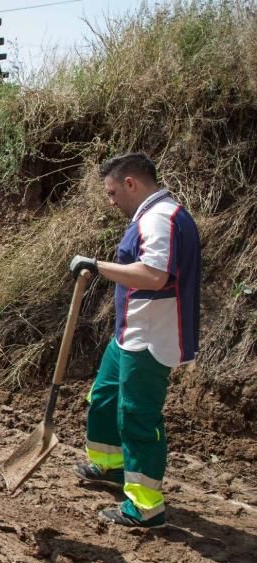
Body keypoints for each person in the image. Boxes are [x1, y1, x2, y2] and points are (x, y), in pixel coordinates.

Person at [69, 152, 201, 528]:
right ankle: (110, 465)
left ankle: (145, 507)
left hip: (151, 337)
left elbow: (155, 275)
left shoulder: (160, 219)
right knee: (104, 395)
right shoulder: (152, 216)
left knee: (137, 417)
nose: (111, 202)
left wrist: (96, 267)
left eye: (112, 193)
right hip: (130, 332)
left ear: (131, 183)